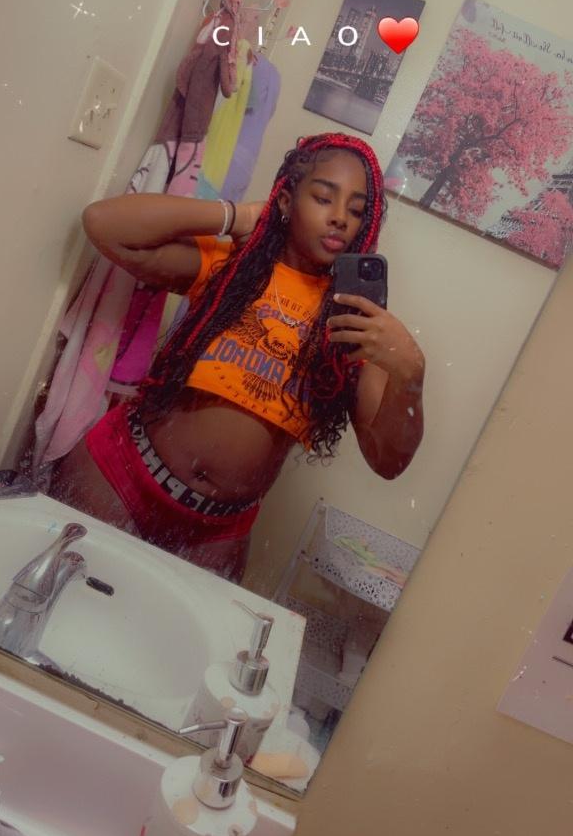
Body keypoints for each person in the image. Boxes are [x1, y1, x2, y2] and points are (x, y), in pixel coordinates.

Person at [49, 131, 425, 582]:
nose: (340, 218)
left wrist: (410, 371)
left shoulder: (355, 322)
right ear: (285, 201)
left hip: (215, 533)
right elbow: (104, 225)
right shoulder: (234, 265)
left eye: (357, 210)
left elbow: (387, 461)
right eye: (324, 198)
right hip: (119, 476)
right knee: (55, 604)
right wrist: (238, 215)